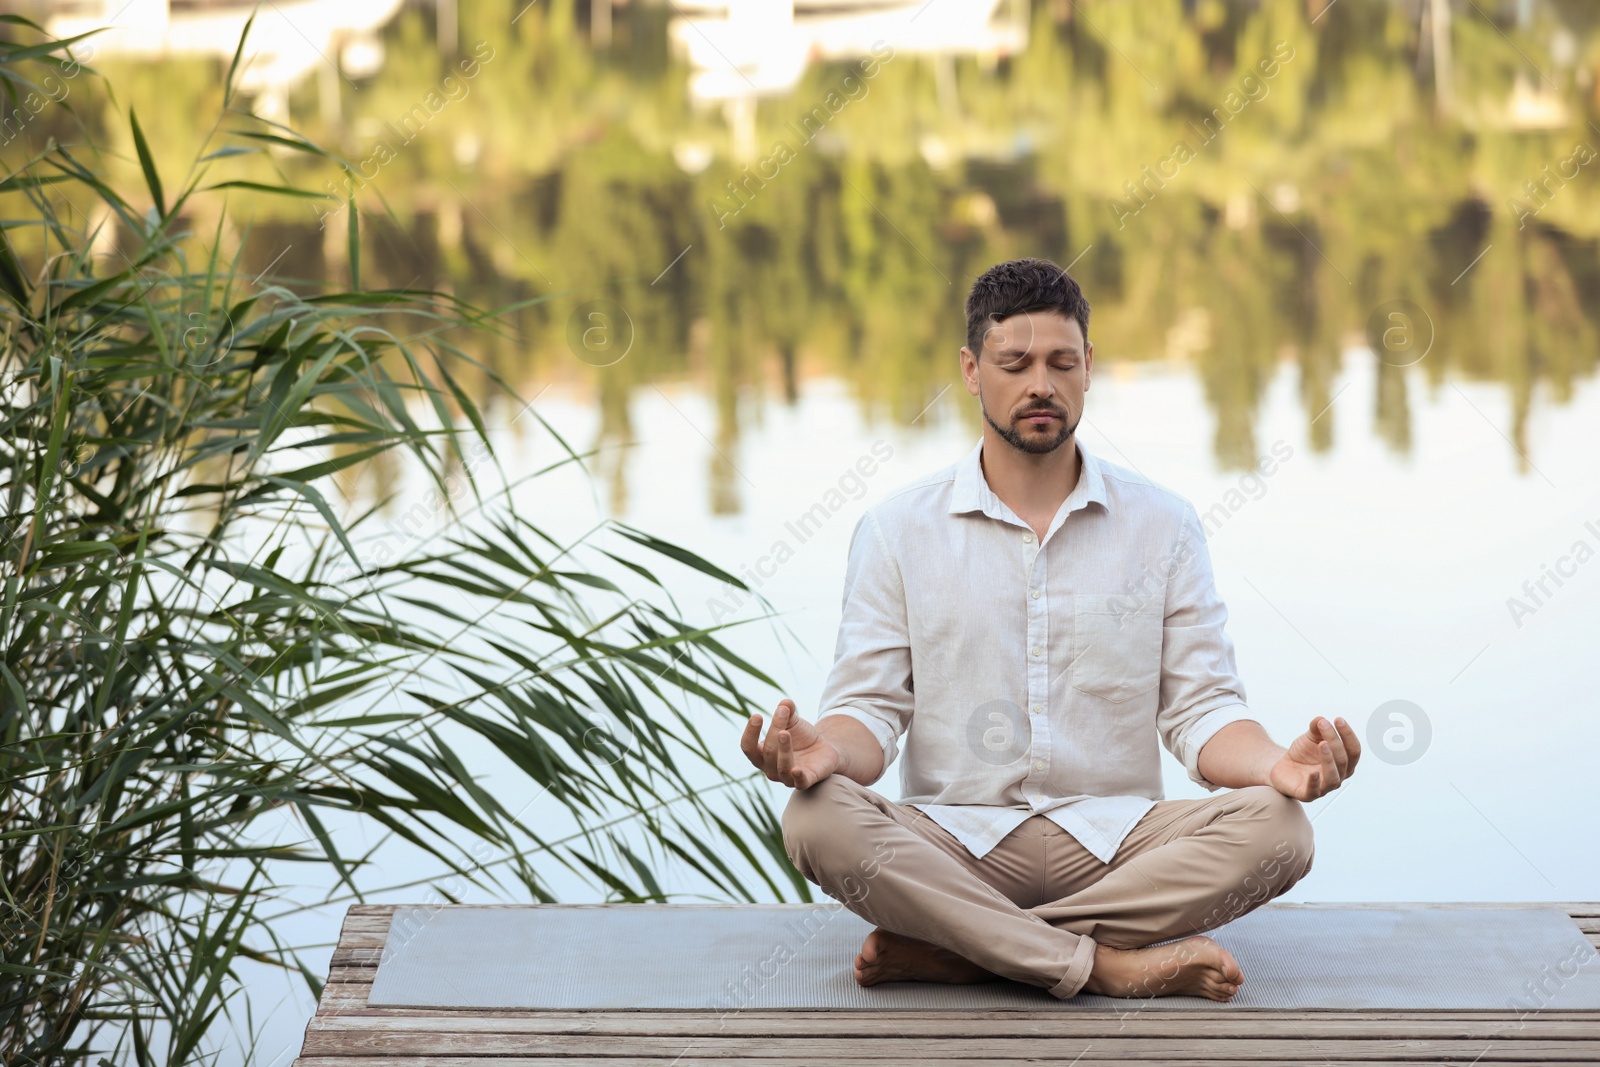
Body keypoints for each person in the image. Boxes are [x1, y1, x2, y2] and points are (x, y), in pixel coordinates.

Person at [738, 257, 1360, 1002]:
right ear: (972, 370)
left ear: (1089, 368)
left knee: (1281, 831)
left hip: (1120, 844)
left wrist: (1276, 767)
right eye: (1015, 363)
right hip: (956, 841)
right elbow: (871, 712)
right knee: (817, 818)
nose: (1041, 384)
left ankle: (965, 949)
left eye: (1062, 362)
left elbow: (1202, 710)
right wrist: (825, 749)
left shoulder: (1163, 525)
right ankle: (1102, 964)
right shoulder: (896, 530)